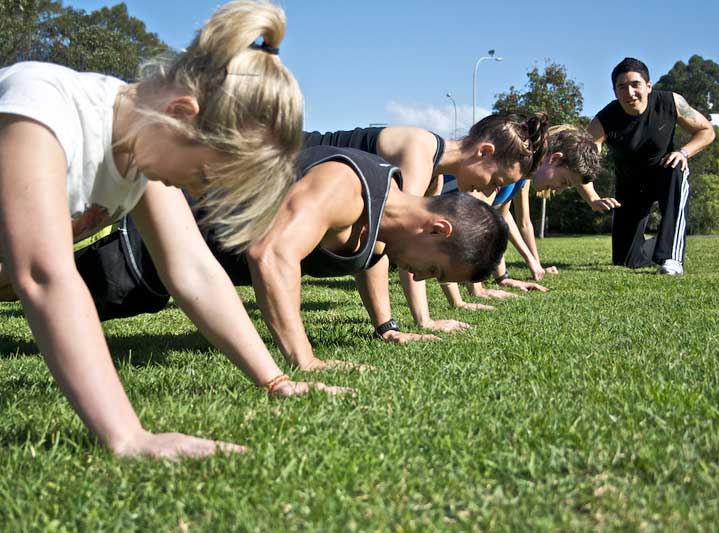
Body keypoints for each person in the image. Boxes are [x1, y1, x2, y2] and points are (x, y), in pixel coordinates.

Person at [0, 0, 343, 461]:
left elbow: (193, 270)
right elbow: (45, 276)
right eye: (204, 175)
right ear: (183, 112)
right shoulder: (41, 107)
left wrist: (276, 382)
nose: (197, 192)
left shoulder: (139, 147)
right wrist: (129, 437)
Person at [2, 146, 510, 370]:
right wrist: (302, 359)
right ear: (437, 227)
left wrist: (386, 325)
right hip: (155, 241)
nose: (420, 275)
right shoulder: (345, 187)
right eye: (435, 268)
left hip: (183, 269)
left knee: (32, 277)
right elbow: (270, 254)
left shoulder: (388, 213)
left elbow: (372, 257)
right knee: (32, 278)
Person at [302, 113, 548, 338]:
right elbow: (388, 240)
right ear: (484, 152)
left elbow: (425, 249)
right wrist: (391, 328)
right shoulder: (418, 155)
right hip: (285, 155)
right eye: (495, 180)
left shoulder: (434, 173)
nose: (489, 191)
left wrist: (424, 320)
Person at [437, 124, 602, 308]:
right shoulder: (509, 168)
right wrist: (471, 294)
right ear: (555, 159)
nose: (559, 189)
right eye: (563, 181)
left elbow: (499, 219)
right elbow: (462, 225)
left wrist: (503, 277)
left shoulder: (521, 177)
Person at [576, 57, 715, 275]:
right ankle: (660, 241)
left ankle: (672, 258)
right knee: (626, 260)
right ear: (614, 91)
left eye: (635, 85)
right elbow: (582, 163)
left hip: (664, 174)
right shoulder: (603, 121)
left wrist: (683, 152)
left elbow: (707, 131)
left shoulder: (670, 102)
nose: (629, 92)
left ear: (648, 86)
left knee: (677, 168)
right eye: (622, 87)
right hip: (630, 187)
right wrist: (593, 198)